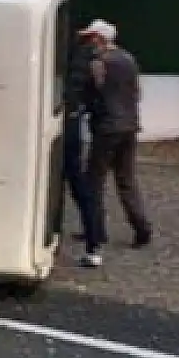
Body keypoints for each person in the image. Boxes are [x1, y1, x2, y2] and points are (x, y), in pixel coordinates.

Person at [78, 17, 154, 269]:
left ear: (99, 39)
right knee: (126, 179)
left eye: (90, 38)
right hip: (129, 125)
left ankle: (95, 229)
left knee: (94, 180)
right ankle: (141, 227)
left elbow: (92, 93)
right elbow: (138, 93)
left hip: (106, 128)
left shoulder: (98, 63)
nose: (88, 42)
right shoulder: (129, 59)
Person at [60, 26, 100, 246]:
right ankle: (93, 240)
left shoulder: (76, 60)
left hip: (67, 123)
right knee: (80, 183)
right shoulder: (93, 61)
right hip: (75, 121)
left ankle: (93, 236)